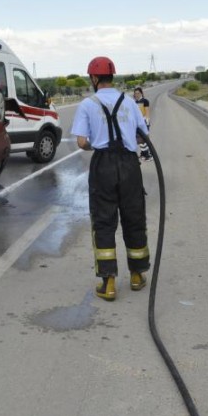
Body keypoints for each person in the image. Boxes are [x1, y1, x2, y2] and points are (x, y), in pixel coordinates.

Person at [71, 56, 150, 301]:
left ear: (94, 78)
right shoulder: (129, 102)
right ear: (112, 76)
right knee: (133, 217)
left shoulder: (87, 104)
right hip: (128, 165)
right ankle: (137, 276)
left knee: (104, 221)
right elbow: (142, 137)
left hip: (103, 165)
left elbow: (82, 141)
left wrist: (95, 144)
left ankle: (109, 284)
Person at [133, 87, 152, 161]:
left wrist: (147, 121)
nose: (137, 95)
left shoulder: (145, 101)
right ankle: (144, 153)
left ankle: (147, 155)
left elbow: (147, 111)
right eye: (135, 93)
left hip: (144, 121)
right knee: (140, 139)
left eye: (138, 93)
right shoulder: (134, 102)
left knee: (144, 139)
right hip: (137, 122)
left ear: (141, 93)